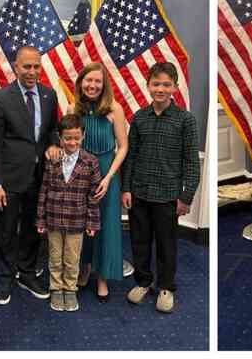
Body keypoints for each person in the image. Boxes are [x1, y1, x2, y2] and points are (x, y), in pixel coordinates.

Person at [122, 62, 201, 313]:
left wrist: (186, 196)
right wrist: (126, 189)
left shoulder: (185, 120)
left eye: (166, 84)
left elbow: (191, 162)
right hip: (139, 192)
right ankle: (143, 281)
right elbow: (131, 156)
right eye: (156, 84)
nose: (161, 88)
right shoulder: (139, 117)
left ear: (175, 87)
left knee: (167, 244)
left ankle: (166, 286)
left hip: (168, 195)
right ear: (148, 86)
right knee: (139, 241)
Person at [0, 45, 63, 304]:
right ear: (15, 67)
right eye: (26, 66)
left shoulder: (49, 95)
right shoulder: (0, 98)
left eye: (36, 66)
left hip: (40, 176)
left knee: (34, 227)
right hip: (9, 178)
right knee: (7, 229)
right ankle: (7, 275)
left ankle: (27, 271)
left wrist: (54, 144)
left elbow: (53, 129)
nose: (32, 71)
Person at [69, 63, 128, 303]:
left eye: (97, 82)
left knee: (105, 225)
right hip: (82, 173)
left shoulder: (115, 108)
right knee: (82, 224)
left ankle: (102, 276)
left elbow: (123, 146)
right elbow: (69, 144)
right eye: (88, 81)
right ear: (81, 82)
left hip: (107, 174)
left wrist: (109, 177)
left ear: (104, 86)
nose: (92, 85)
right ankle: (84, 268)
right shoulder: (73, 108)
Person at [36, 114, 102, 312]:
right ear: (59, 137)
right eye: (67, 138)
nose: (72, 142)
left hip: (77, 221)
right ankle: (56, 287)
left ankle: (70, 288)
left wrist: (92, 223)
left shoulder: (91, 162)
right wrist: (41, 219)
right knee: (55, 257)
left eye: (76, 138)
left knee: (72, 258)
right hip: (53, 218)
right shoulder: (52, 159)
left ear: (83, 136)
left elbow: (93, 196)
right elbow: (44, 189)